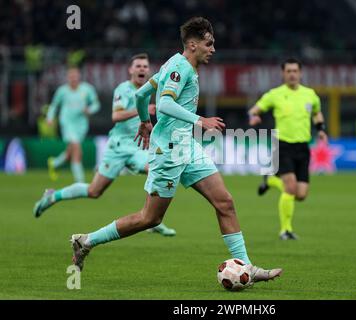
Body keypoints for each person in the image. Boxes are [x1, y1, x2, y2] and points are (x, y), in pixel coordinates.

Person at [69, 17, 282, 285]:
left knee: (225, 202)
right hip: (169, 150)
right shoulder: (179, 68)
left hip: (186, 146)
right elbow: (166, 103)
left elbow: (142, 95)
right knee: (150, 217)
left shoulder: (176, 64)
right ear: (192, 44)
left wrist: (146, 122)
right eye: (209, 43)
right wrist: (199, 120)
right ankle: (86, 241)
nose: (213, 49)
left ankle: (247, 268)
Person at [33, 54, 176, 236]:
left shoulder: (149, 90)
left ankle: (149, 219)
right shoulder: (123, 89)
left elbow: (96, 105)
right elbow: (116, 116)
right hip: (117, 147)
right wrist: (142, 111)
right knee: (94, 191)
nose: (142, 69)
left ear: (149, 71)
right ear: (130, 70)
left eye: (145, 66)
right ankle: (52, 196)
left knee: (155, 169)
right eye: (138, 66)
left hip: (137, 147)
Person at [248, 58, 328, 240]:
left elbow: (317, 112)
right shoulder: (274, 94)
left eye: (295, 71)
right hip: (282, 146)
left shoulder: (310, 94)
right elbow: (254, 110)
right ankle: (285, 230)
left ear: (300, 73)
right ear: (283, 74)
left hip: (303, 147)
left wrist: (321, 130)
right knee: (290, 188)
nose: (292, 74)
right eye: (288, 71)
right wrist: (253, 117)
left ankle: (269, 180)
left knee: (301, 194)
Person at [46, 67, 100, 182]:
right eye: (71, 77)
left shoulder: (87, 89)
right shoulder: (62, 91)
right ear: (67, 78)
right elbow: (54, 105)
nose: (73, 79)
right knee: (76, 148)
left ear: (79, 77)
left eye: (75, 76)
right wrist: (50, 117)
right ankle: (80, 181)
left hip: (81, 124)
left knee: (71, 150)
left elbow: (96, 104)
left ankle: (54, 163)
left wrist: (89, 110)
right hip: (67, 122)